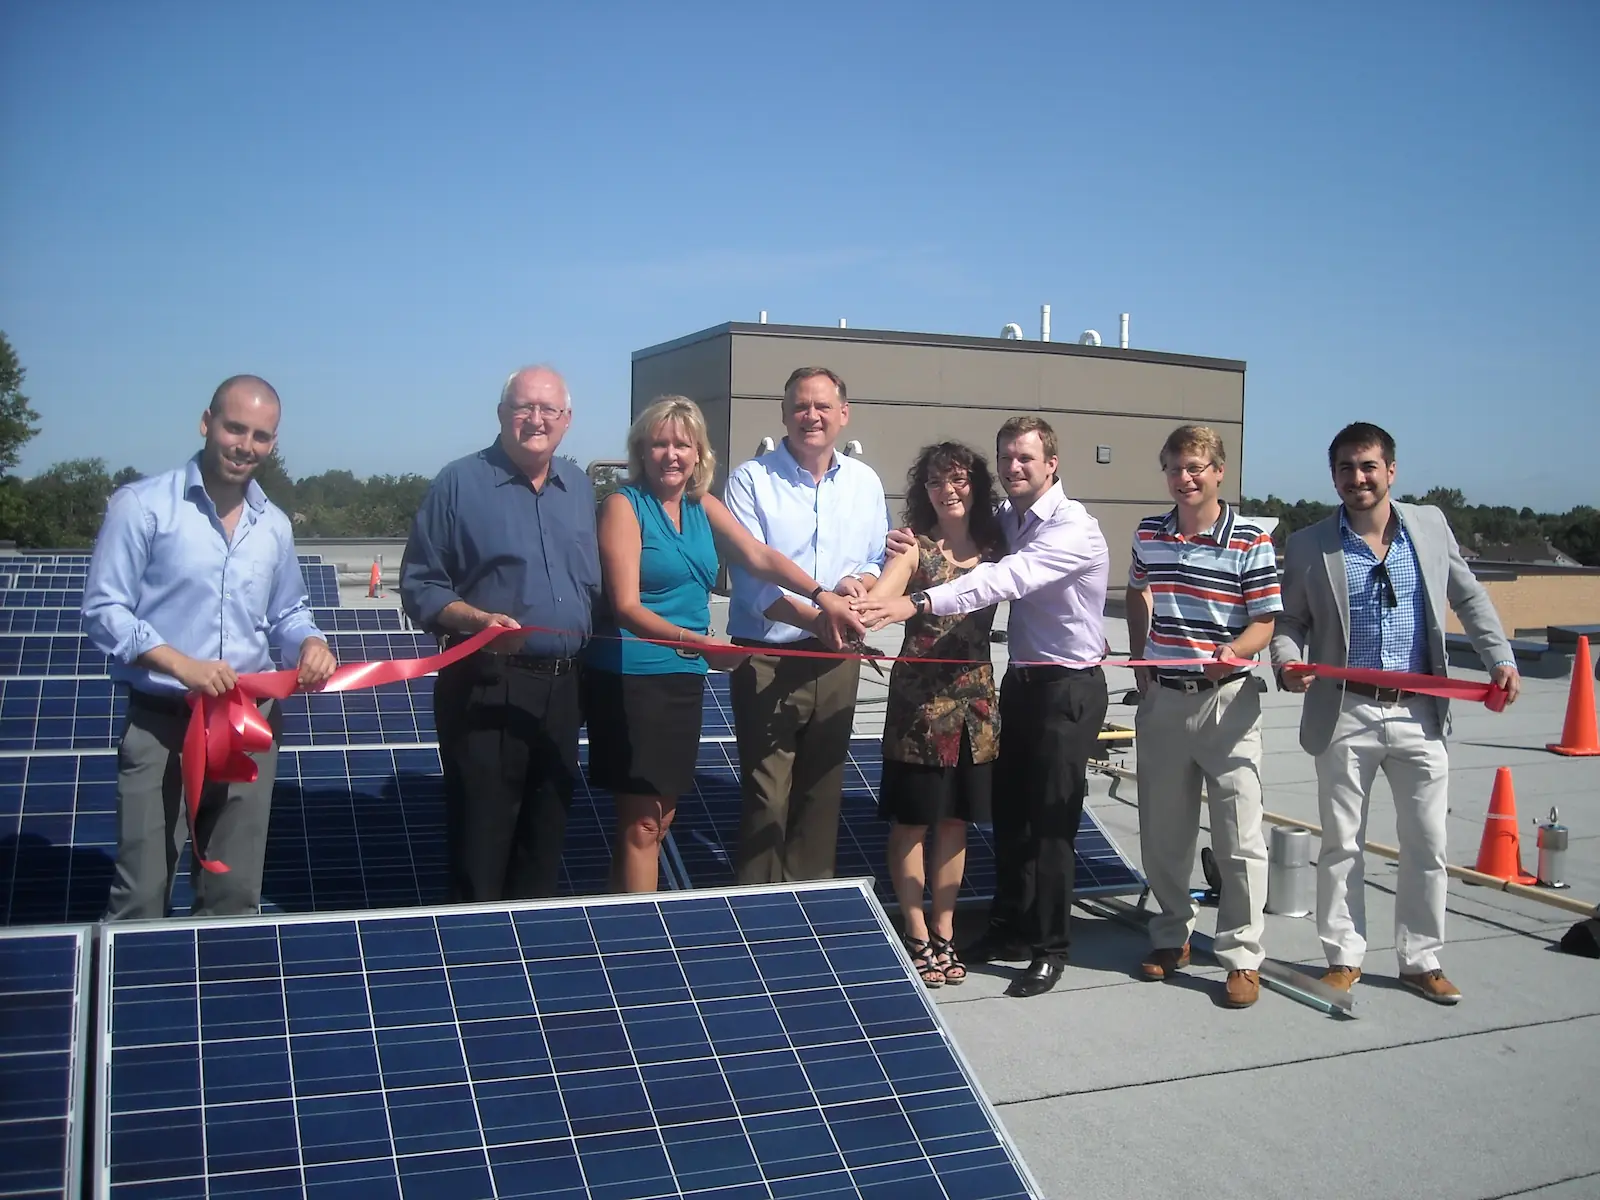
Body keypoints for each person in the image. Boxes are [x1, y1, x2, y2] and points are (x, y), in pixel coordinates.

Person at [858, 415, 1109, 998]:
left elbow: (1004, 581)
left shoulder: (1072, 529)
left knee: (1050, 824)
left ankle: (1049, 947)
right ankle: (1008, 927)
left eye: (1025, 457)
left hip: (1067, 687)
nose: (1013, 467)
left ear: (1052, 463)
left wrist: (916, 601)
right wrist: (895, 548)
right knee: (1012, 819)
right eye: (1006, 458)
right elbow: (945, 521)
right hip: (1018, 684)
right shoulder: (1006, 519)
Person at [1271, 421, 1520, 1004]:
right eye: (1345, 469)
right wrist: (1287, 661)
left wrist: (1499, 658)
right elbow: (1290, 621)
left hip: (1420, 714)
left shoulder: (1429, 526)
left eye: (1367, 467)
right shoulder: (1311, 544)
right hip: (1345, 712)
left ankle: (1420, 958)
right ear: (1332, 476)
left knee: (1428, 842)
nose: (1357, 479)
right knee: (1341, 843)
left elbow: (1468, 596)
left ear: (1390, 470)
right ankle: (1343, 956)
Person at [81, 375, 337, 918]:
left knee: (234, 894)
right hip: (163, 722)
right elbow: (104, 612)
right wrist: (182, 666)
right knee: (143, 893)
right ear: (206, 423)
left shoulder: (275, 527)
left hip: (247, 723)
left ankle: (222, 991)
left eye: (261, 436)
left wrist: (310, 642)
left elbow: (287, 612)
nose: (246, 446)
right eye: (234, 428)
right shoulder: (143, 507)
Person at [586, 395, 863, 893]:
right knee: (643, 822)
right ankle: (640, 939)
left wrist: (821, 597)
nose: (672, 455)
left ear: (699, 454)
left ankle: (621, 915)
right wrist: (700, 644)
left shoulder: (701, 506)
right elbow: (626, 607)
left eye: (683, 445)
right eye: (660, 444)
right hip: (634, 678)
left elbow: (758, 556)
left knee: (661, 819)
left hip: (682, 678)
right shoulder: (622, 508)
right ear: (641, 451)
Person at [400, 364, 599, 903]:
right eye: (523, 407)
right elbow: (420, 586)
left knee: (545, 839)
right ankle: (476, 963)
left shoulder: (578, 488)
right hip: (487, 682)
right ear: (502, 414)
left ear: (567, 419)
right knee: (483, 844)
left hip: (564, 691)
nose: (536, 420)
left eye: (548, 410)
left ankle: (527, 964)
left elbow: (595, 589)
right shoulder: (458, 484)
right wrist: (477, 622)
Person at [1124, 425, 1281, 1008]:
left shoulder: (1248, 540)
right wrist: (1143, 665)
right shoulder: (1149, 532)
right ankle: (1171, 936)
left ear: (1218, 472)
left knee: (1238, 836)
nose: (1184, 478)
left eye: (1195, 468)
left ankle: (1240, 956)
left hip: (1228, 702)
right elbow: (1138, 593)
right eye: (1174, 469)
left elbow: (1265, 621)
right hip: (1164, 699)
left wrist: (1234, 654)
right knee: (1165, 831)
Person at [724, 366, 881, 884]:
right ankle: (757, 913)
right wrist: (821, 617)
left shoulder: (865, 483)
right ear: (784, 413)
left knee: (822, 794)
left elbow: (875, 558)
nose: (810, 416)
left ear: (843, 414)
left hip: (837, 660)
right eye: (799, 406)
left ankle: (808, 912)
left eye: (821, 406)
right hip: (768, 657)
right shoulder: (751, 480)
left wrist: (860, 583)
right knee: (767, 796)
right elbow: (751, 585)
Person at [865, 442, 1006, 988]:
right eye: (934, 482)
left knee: (954, 824)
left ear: (976, 486)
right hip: (919, 713)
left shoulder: (998, 549)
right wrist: (859, 599)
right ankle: (916, 929)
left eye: (959, 479)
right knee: (912, 822)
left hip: (976, 710)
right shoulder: (913, 549)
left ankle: (946, 930)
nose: (948, 490)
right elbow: (879, 601)